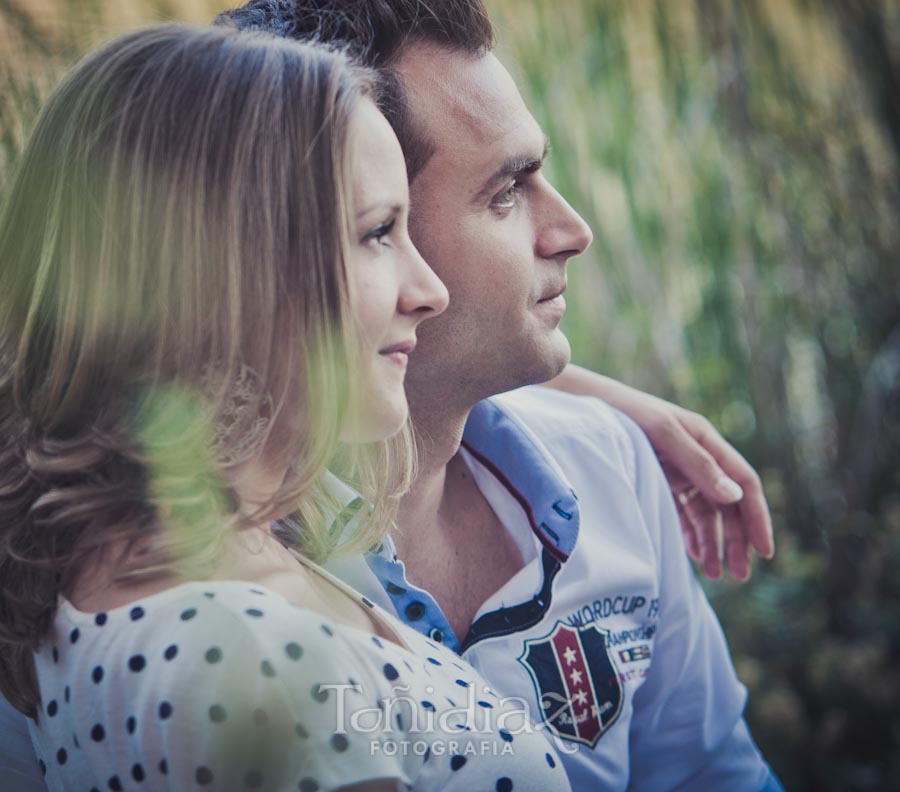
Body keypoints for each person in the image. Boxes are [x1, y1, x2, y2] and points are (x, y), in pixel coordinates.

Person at [211, 2, 784, 790]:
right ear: (327, 240)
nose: (573, 229)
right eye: (507, 191)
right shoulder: (178, 578)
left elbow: (711, 775)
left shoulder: (610, 463)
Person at [0, 23, 575, 791]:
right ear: (224, 272)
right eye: (377, 233)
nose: (428, 290)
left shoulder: (124, 562)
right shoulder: (253, 664)